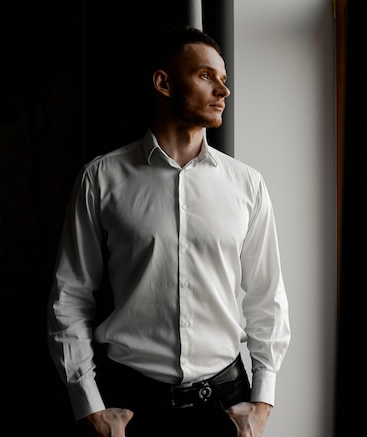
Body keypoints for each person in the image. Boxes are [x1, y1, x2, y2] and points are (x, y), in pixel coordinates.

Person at [47, 25, 291, 437]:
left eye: (225, 80)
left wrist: (262, 401)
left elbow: (268, 297)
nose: (223, 92)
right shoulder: (101, 179)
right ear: (163, 82)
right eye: (206, 76)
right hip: (129, 409)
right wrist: (89, 406)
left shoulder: (247, 185)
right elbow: (69, 298)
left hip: (226, 406)